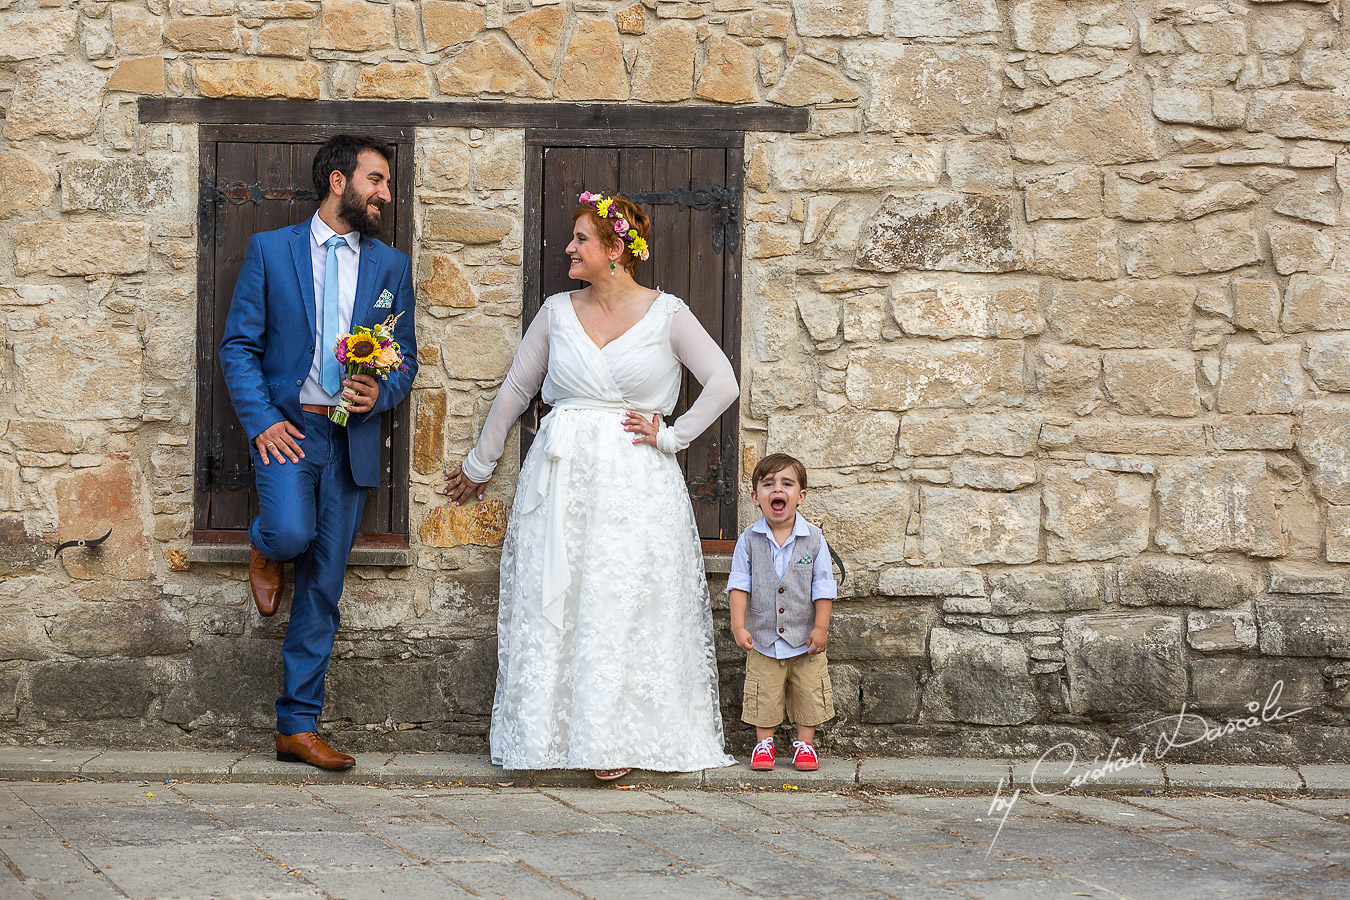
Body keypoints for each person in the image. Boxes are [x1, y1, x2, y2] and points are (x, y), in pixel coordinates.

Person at [444, 191, 737, 779]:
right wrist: (480, 464)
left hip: (635, 478)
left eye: (581, 239)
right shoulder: (556, 311)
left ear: (616, 249)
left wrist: (673, 437)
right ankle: (549, 735)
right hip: (562, 477)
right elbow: (514, 392)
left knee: (621, 598)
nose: (569, 248)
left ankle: (612, 739)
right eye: (572, 238)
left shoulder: (666, 313)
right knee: (559, 596)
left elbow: (722, 381)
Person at [219, 134, 418, 771]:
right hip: (288, 429)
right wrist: (259, 423)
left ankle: (296, 727)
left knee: (324, 590)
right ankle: (264, 545)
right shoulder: (270, 251)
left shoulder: (392, 267)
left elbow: (404, 358)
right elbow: (238, 347)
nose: (385, 194)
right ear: (339, 181)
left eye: (386, 184)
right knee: (286, 531)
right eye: (376, 181)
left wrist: (379, 390)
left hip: (350, 439)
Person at [727, 453, 837, 772]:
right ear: (755, 497)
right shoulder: (748, 540)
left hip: (805, 639)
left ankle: (805, 744)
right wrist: (738, 625)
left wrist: (821, 628)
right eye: (768, 484)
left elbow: (824, 587)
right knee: (764, 690)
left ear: (800, 496)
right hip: (763, 637)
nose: (778, 489)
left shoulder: (814, 540)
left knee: (808, 689)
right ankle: (764, 743)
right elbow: (739, 584)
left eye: (787, 484)